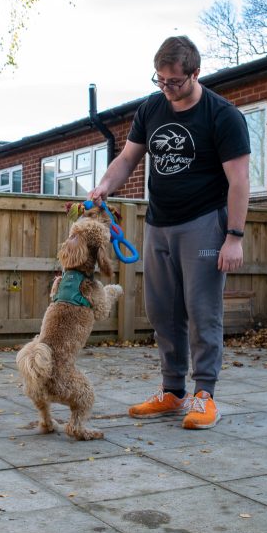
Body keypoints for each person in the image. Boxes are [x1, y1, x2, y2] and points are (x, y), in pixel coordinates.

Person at [88, 35, 250, 430]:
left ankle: (205, 395)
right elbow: (127, 157)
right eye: (159, 80)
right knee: (162, 311)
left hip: (203, 224)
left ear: (195, 73)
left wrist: (234, 236)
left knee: (202, 312)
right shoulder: (152, 108)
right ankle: (173, 391)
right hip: (159, 222)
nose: (166, 88)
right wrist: (103, 186)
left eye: (174, 81)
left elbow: (240, 180)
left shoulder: (222, 115)